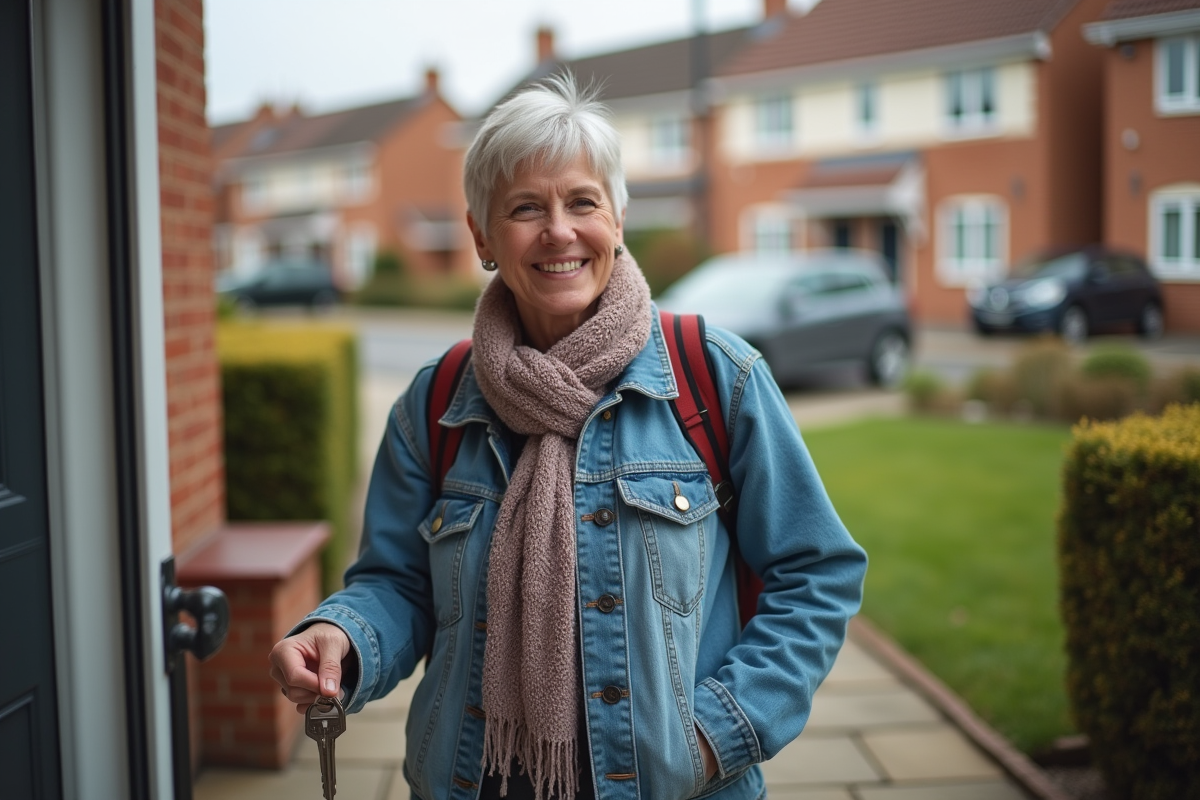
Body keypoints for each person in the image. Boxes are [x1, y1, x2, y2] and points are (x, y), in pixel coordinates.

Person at [269, 73, 867, 800]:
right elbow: (398, 585)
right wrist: (343, 639)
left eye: (582, 201)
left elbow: (816, 573)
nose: (559, 231)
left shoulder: (716, 378)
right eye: (526, 207)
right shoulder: (435, 404)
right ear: (482, 235)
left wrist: (716, 732)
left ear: (616, 217)